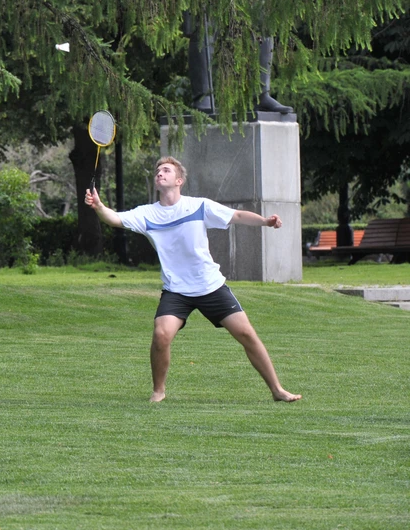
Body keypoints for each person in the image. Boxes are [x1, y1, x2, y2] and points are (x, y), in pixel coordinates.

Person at [84, 156, 301, 403]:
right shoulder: (147, 214)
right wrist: (99, 206)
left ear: (179, 180)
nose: (160, 173)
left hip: (210, 285)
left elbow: (237, 216)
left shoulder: (199, 206)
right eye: (158, 171)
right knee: (161, 334)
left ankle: (277, 390)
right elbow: (114, 218)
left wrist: (265, 221)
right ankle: (158, 391)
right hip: (176, 290)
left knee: (247, 334)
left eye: (166, 170)